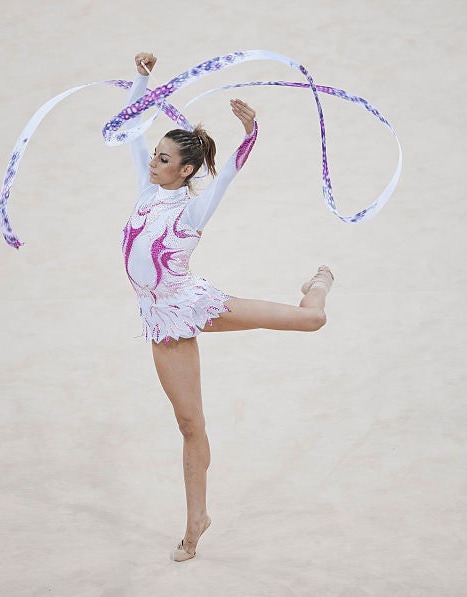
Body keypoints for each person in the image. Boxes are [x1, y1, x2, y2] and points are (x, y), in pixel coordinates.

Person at [122, 52, 335, 562]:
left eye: (165, 160)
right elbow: (130, 128)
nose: (154, 162)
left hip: (194, 304)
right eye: (156, 156)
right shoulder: (146, 191)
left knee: (311, 320)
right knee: (189, 424)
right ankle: (197, 520)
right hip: (162, 322)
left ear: (187, 169)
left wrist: (250, 132)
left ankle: (320, 283)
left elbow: (228, 177)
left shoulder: (192, 208)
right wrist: (143, 78)